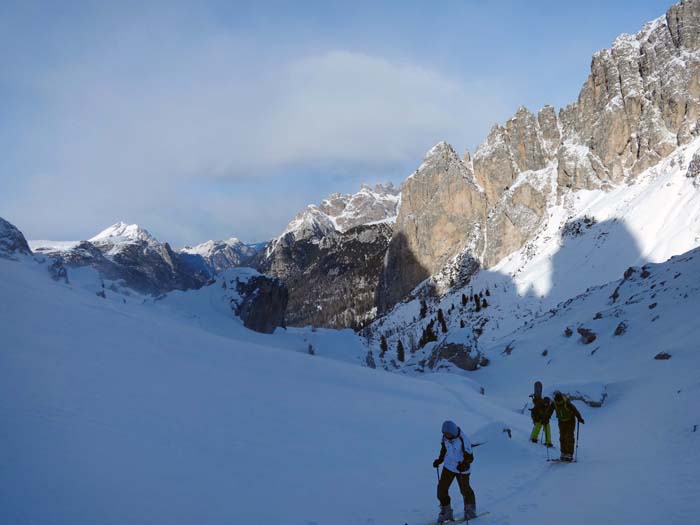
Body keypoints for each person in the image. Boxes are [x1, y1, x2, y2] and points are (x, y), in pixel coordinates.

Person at [432, 420, 477, 523]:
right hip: (449, 466)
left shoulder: (463, 439)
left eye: (448, 434)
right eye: (445, 434)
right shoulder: (445, 438)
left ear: (453, 432)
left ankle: (470, 509)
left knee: (465, 490)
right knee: (441, 489)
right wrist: (440, 460)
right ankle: (446, 511)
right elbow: (444, 449)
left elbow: (470, 457)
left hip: (462, 468)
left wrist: (464, 464)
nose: (446, 436)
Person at [549, 391, 585, 461]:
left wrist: (579, 418)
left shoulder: (567, 403)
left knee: (569, 436)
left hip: (570, 420)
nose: (558, 403)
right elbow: (549, 411)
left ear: (561, 400)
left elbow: (575, 410)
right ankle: (563, 452)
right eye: (557, 402)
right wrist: (546, 417)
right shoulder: (554, 404)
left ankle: (569, 454)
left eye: (559, 402)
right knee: (562, 437)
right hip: (561, 421)